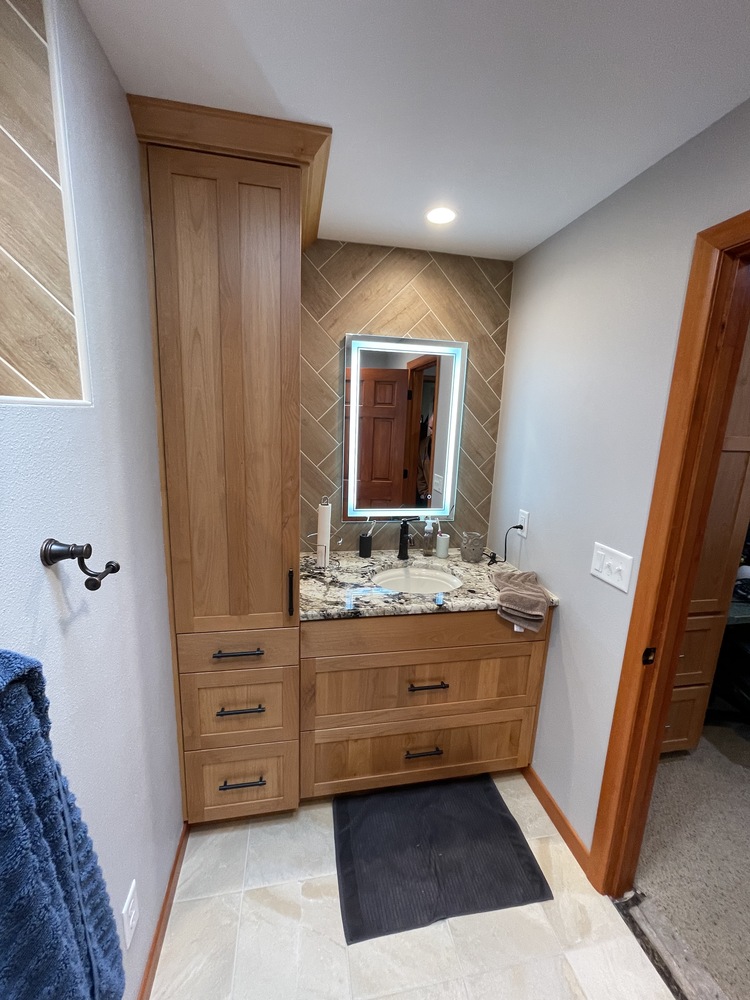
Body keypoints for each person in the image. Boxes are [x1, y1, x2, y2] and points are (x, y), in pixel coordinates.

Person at [416, 412, 433, 505]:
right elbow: (420, 472)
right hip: (427, 496)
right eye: (430, 428)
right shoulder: (424, 445)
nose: (431, 431)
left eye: (434, 428)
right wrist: (425, 493)